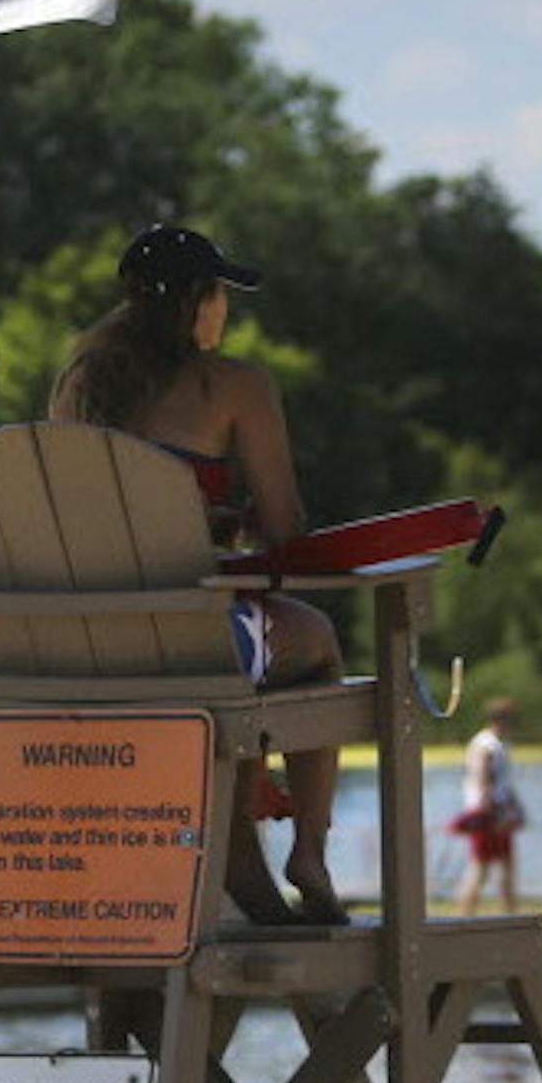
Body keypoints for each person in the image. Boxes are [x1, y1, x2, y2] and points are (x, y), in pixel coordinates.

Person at [50, 224, 346, 926]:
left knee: (242, 668)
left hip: (80, 645)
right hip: (193, 642)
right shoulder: (234, 386)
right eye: (222, 295)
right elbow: (286, 533)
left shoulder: (79, 387)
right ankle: (308, 850)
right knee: (315, 640)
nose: (227, 311)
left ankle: (244, 865)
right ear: (197, 302)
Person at [451, 697, 525, 915]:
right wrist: (489, 808)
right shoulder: (485, 744)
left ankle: (510, 914)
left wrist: (515, 807)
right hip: (488, 812)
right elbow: (482, 775)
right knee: (481, 868)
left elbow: (504, 782)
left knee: (507, 865)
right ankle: (463, 916)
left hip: (501, 811)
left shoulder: (502, 745)